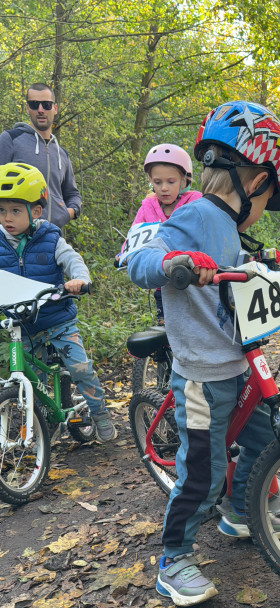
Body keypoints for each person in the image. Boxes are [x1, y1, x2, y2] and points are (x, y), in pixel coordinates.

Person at [128, 100, 280, 606]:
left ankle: (240, 512)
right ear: (255, 181)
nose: (264, 207)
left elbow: (231, 265)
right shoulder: (198, 212)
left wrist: (261, 263)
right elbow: (138, 258)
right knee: (202, 471)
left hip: (237, 360)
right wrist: (175, 262)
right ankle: (174, 558)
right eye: (269, 197)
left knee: (267, 434)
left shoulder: (228, 224)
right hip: (202, 370)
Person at [0, 162, 116, 443]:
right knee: (33, 383)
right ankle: (42, 424)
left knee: (80, 369)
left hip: (57, 320)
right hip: (22, 326)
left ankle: (100, 415)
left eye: (15, 210)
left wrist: (79, 279)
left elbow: (72, 260)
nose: (7, 218)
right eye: (2, 210)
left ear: (36, 211)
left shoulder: (50, 238)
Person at [117, 144, 201, 325]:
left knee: (194, 327)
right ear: (150, 180)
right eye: (157, 182)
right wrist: (125, 254)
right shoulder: (147, 207)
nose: (163, 188)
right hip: (162, 284)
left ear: (184, 180)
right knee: (165, 329)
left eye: (171, 182)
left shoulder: (195, 202)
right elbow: (135, 234)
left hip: (194, 282)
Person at [0, 83, 81, 229]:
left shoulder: (61, 153)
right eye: (34, 104)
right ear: (27, 108)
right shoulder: (10, 140)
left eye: (46, 105)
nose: (40, 110)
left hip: (51, 238)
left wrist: (68, 213)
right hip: (14, 240)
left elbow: (72, 194)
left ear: (55, 108)